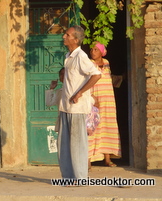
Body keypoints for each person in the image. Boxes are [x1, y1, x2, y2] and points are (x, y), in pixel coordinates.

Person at [57, 25, 101, 180]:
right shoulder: (69, 56)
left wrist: (80, 93)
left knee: (77, 145)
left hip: (77, 108)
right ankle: (69, 177)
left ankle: (80, 177)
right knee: (64, 146)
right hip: (66, 107)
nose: (64, 36)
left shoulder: (81, 56)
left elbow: (96, 74)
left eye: (67, 35)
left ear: (75, 39)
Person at [88, 41, 122, 168]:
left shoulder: (106, 63)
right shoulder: (89, 64)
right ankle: (88, 160)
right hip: (95, 99)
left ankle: (107, 158)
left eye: (96, 49)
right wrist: (91, 96)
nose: (92, 51)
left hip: (108, 100)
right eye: (91, 49)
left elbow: (108, 79)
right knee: (92, 127)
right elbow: (86, 80)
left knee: (107, 126)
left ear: (102, 52)